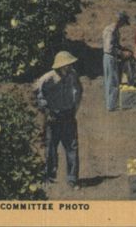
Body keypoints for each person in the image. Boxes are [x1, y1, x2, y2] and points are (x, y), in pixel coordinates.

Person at [34, 51, 83, 189]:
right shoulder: (48, 78)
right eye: (66, 65)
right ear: (59, 66)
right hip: (53, 116)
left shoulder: (73, 75)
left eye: (70, 65)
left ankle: (72, 179)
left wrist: (75, 107)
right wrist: (45, 108)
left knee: (72, 147)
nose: (69, 67)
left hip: (68, 115)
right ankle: (49, 176)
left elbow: (79, 90)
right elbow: (37, 91)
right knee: (51, 147)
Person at [102, 12, 132, 111]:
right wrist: (122, 54)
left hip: (111, 57)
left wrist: (123, 48)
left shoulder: (114, 30)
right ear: (120, 21)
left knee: (111, 80)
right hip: (110, 57)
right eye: (123, 23)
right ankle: (111, 105)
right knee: (112, 81)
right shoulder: (111, 30)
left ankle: (111, 103)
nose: (123, 25)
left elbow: (116, 45)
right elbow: (109, 48)